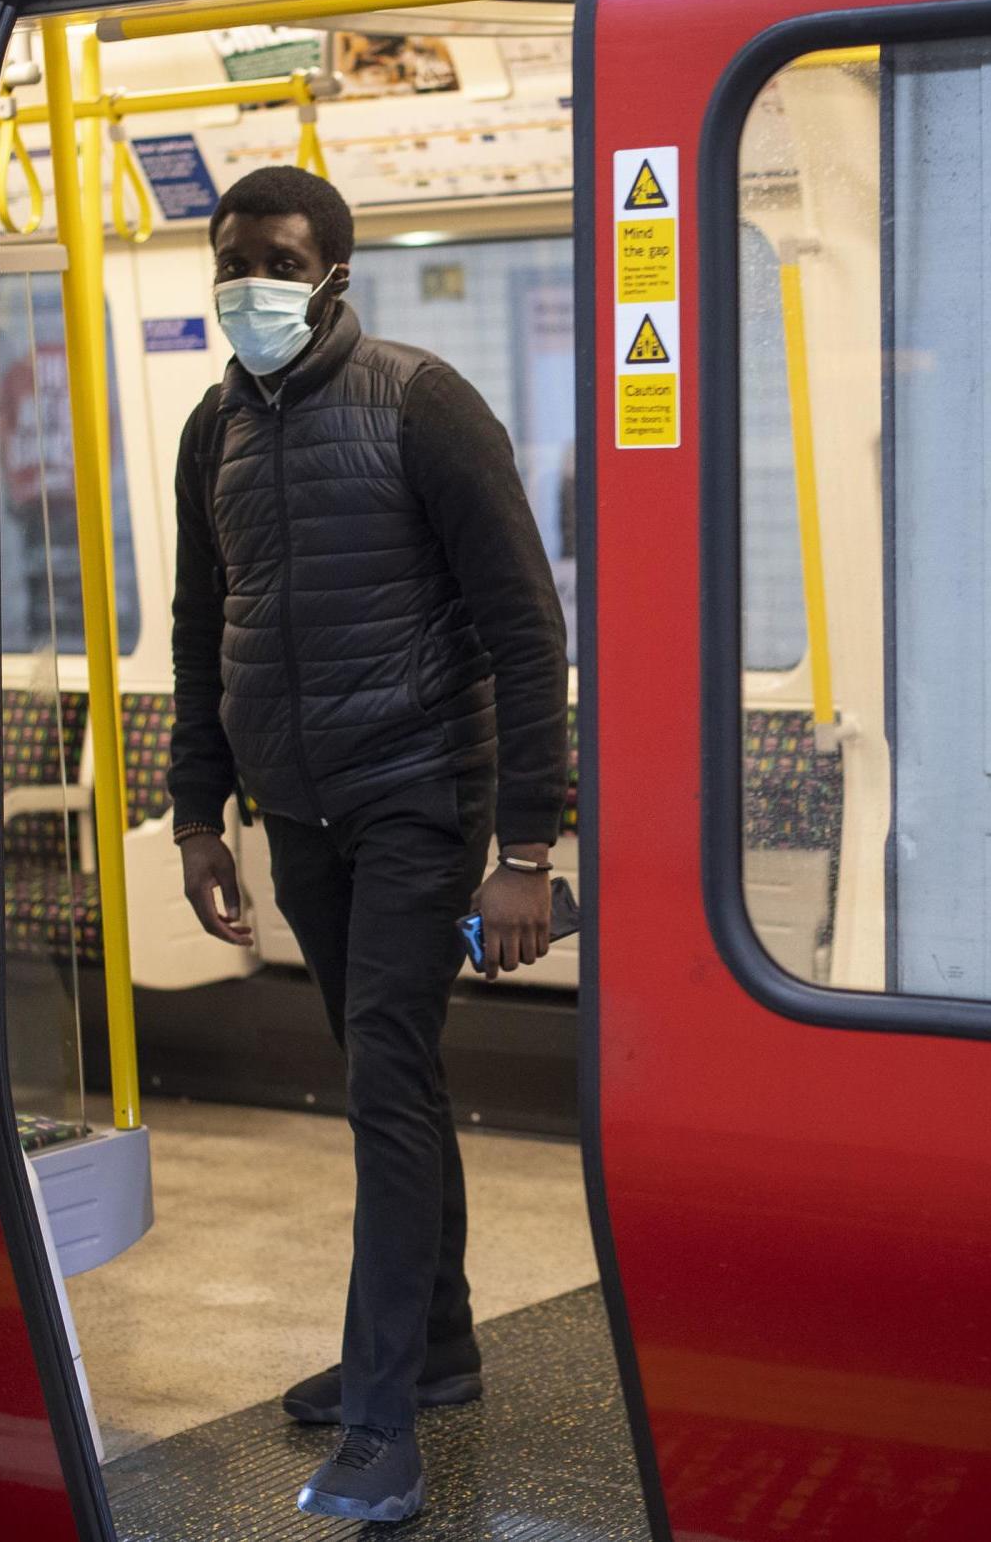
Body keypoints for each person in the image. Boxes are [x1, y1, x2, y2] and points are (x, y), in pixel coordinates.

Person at [166, 166, 567, 1523]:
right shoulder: (209, 428)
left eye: (274, 261)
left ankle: (384, 1423)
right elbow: (196, 628)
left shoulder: (422, 402)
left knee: (385, 1075)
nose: (247, 287)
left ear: (333, 269)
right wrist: (192, 812)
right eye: (229, 262)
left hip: (417, 800)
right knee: (379, 1072)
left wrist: (527, 849)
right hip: (299, 812)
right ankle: (437, 1345)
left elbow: (526, 630)